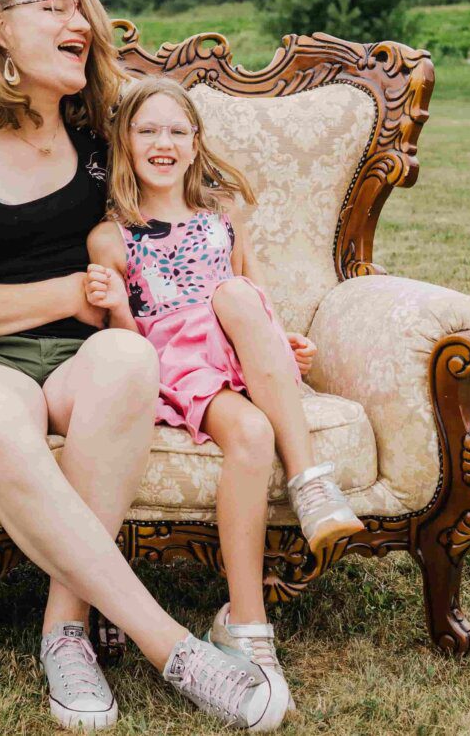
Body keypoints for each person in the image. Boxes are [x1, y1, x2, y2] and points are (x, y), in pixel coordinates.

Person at [0, 0, 289, 732]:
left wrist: (257, 328)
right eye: (53, 8)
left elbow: (190, 221)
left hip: (90, 353)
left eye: (80, 8)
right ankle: (172, 646)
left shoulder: (101, 133)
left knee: (129, 355)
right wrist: (65, 293)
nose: (78, 22)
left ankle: (65, 629)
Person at [85, 74, 366, 716]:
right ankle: (264, 588)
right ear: (124, 143)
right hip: (176, 365)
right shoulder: (111, 235)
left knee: (240, 312)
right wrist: (115, 306)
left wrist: (282, 342)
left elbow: (256, 295)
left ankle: (270, 571)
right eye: (147, 130)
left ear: (196, 142)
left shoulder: (224, 215)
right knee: (249, 407)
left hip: (237, 347)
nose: (163, 143)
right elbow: (125, 342)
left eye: (177, 131)